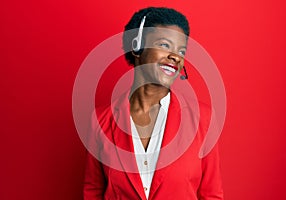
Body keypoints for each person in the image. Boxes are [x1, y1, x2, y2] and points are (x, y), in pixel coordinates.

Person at [83, 7, 224, 200]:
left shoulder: (203, 119)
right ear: (137, 47)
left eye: (181, 50)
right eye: (165, 45)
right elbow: (93, 191)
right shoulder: (101, 121)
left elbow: (212, 195)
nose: (176, 56)